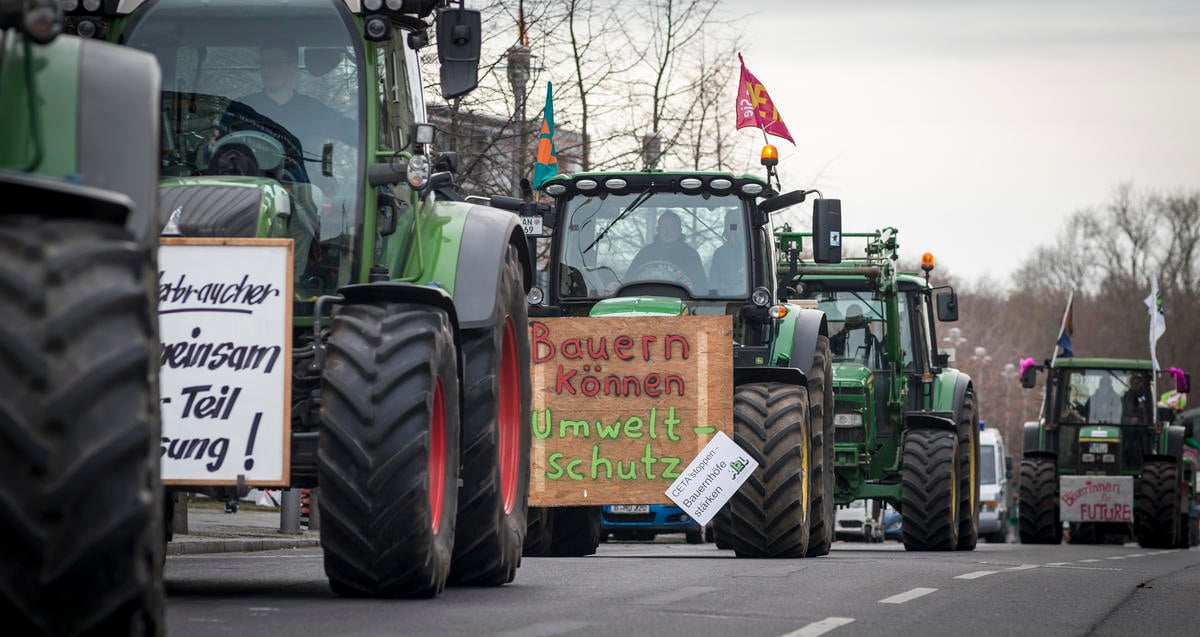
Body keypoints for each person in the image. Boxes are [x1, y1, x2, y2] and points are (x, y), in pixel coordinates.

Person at [625, 211, 707, 289]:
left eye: (673, 227)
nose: (668, 231)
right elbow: (628, 280)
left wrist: (689, 284)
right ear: (658, 230)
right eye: (664, 227)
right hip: (646, 300)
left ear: (680, 231)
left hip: (682, 301)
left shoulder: (691, 256)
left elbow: (701, 287)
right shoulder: (645, 253)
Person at [708, 209, 747, 294]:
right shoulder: (720, 254)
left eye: (738, 225)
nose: (735, 230)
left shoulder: (752, 251)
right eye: (732, 226)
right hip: (724, 300)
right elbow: (713, 286)